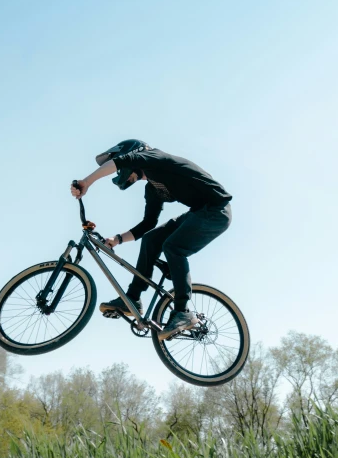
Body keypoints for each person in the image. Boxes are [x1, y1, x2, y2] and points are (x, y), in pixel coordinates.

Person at [70, 140, 232, 340]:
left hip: (216, 210)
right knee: (151, 239)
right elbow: (148, 223)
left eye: (120, 169)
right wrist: (118, 239)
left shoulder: (156, 158)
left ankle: (182, 311)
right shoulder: (152, 189)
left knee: (173, 247)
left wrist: (87, 182)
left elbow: (123, 161)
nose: (121, 175)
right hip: (198, 212)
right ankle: (133, 298)